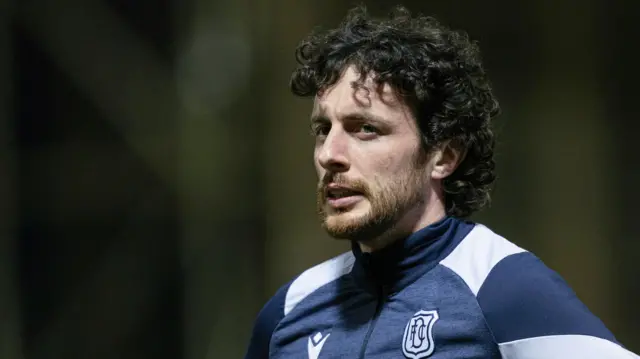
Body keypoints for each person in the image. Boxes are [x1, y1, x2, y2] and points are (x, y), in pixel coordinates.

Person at [244, 5, 639, 359]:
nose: (330, 153)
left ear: (443, 156)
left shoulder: (500, 285)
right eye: (322, 129)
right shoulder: (289, 311)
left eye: (365, 129)